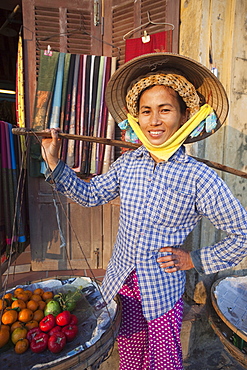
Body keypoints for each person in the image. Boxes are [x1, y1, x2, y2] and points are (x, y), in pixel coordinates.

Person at [41, 53, 247, 370]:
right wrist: (55, 164)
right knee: (130, 354)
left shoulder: (198, 178)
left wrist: (193, 259)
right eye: (146, 111)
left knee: (164, 361)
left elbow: (241, 234)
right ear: (136, 118)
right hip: (124, 282)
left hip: (162, 290)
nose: (154, 120)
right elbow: (92, 194)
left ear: (184, 115)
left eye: (165, 110)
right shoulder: (128, 163)